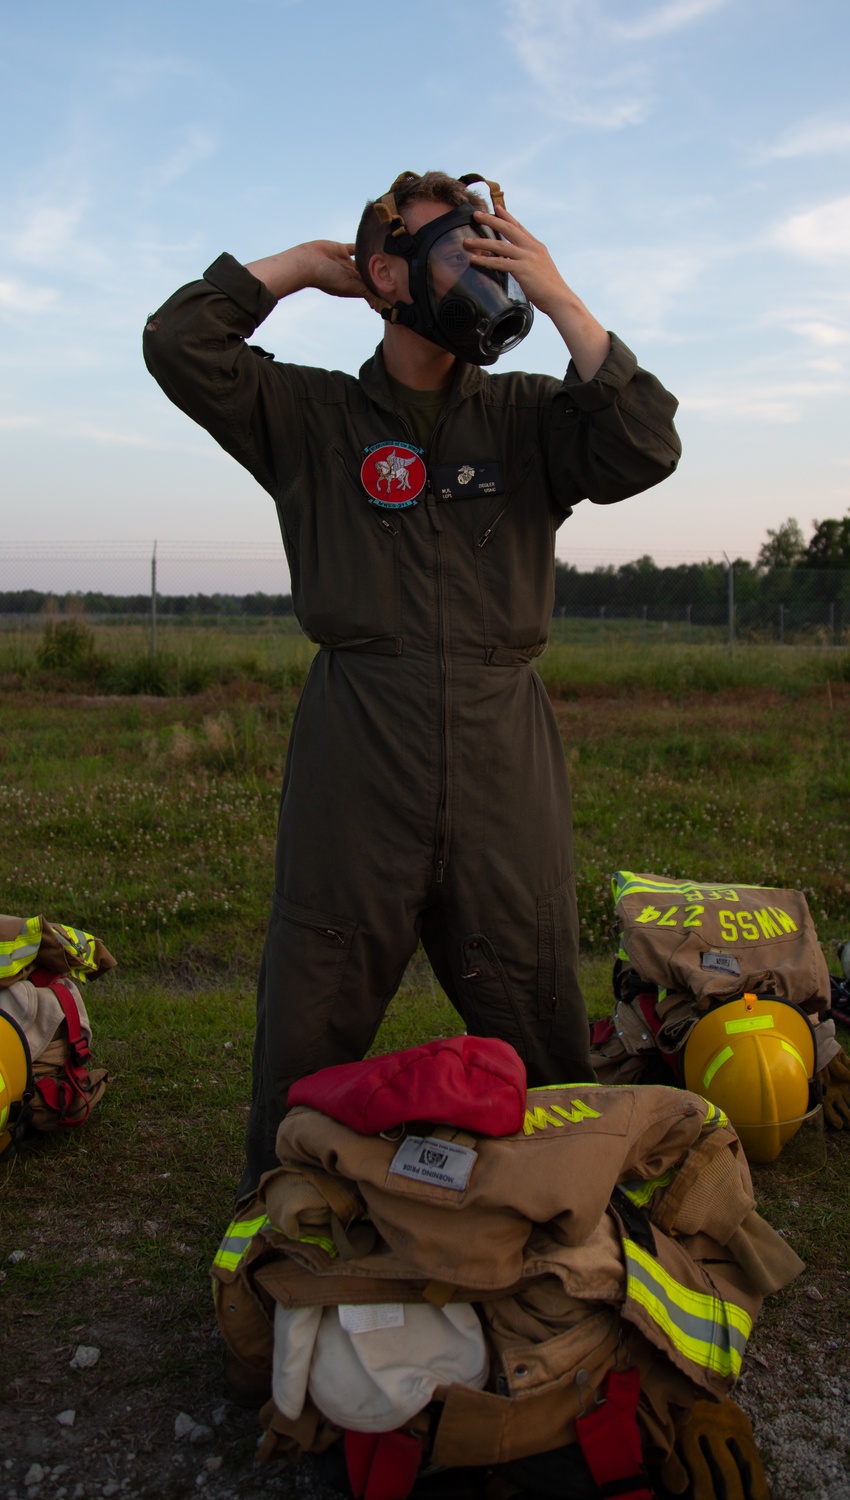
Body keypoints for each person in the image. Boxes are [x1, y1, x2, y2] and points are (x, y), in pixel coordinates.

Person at [143, 171, 681, 1195]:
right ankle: (279, 1232)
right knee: (312, 1003)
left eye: (487, 251)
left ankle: (573, 1227)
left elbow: (644, 446)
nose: (474, 273)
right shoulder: (309, 416)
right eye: (449, 253)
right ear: (387, 273)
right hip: (359, 746)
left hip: (501, 741)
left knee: (537, 1004)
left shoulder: (528, 418)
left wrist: (559, 297)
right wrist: (301, 270)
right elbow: (178, 344)